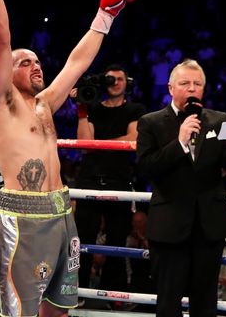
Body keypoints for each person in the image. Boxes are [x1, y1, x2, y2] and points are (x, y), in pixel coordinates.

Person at [0, 0, 138, 317]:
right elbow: (0, 42)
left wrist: (105, 15)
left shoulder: (44, 104)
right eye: (25, 62)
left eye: (37, 61)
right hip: (22, 217)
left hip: (61, 212)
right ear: (8, 72)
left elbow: (78, 61)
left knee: (60, 307)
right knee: (21, 312)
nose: (35, 66)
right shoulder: (3, 103)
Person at [136, 58, 226, 317]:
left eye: (197, 84)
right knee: (168, 302)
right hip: (170, 224)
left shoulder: (219, 119)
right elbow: (146, 167)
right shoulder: (151, 122)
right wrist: (179, 142)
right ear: (170, 88)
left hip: (209, 225)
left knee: (205, 301)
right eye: (184, 83)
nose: (191, 89)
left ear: (203, 88)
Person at [73, 64, 146, 295]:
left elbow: (133, 140)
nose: (115, 83)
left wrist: (100, 145)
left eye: (120, 79)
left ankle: (113, 294)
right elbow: (85, 145)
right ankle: (78, 292)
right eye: (110, 79)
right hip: (89, 180)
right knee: (83, 239)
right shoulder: (92, 107)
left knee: (117, 239)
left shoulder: (136, 109)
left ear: (128, 83)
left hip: (119, 181)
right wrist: (82, 109)